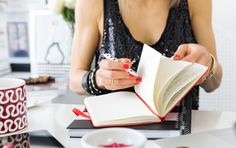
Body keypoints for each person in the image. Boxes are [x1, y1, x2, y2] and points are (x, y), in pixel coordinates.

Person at [69, 0, 223, 109]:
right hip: (115, 137)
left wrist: (208, 65)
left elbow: (213, 84)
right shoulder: (92, 3)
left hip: (181, 138)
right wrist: (96, 79)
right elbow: (74, 80)